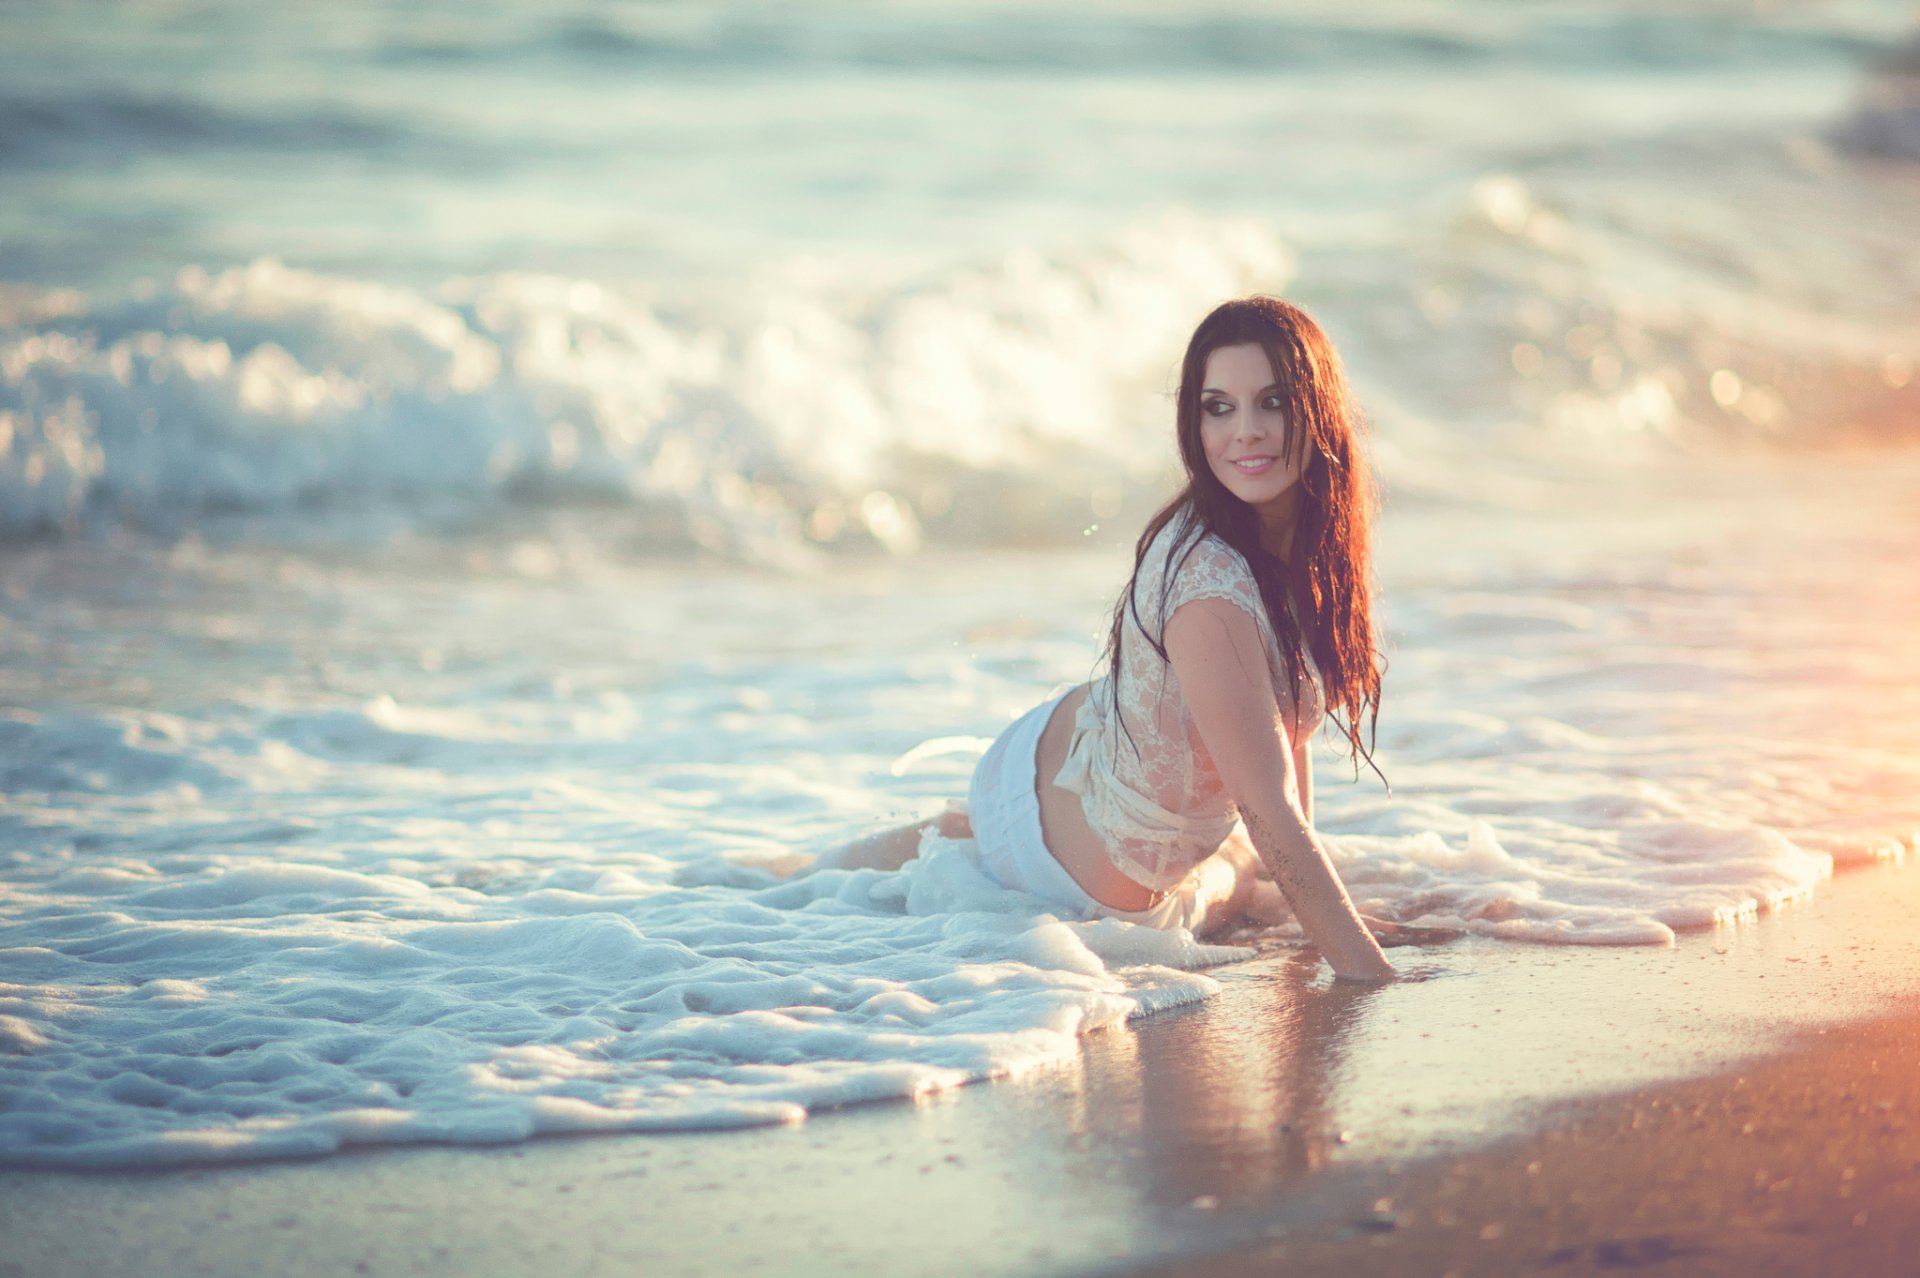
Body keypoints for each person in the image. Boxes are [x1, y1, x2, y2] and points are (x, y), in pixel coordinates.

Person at [823, 296, 1397, 983]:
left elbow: (1283, 740)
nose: (1245, 431)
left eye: (1271, 402)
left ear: (1317, 408)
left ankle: (804, 869)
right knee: (931, 859)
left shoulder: (1300, 543)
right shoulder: (1210, 586)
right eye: (1219, 407)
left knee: (1240, 876)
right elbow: (1269, 813)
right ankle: (769, 882)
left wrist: (1315, 906)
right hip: (1066, 850)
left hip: (1094, 766)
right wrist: (1374, 978)